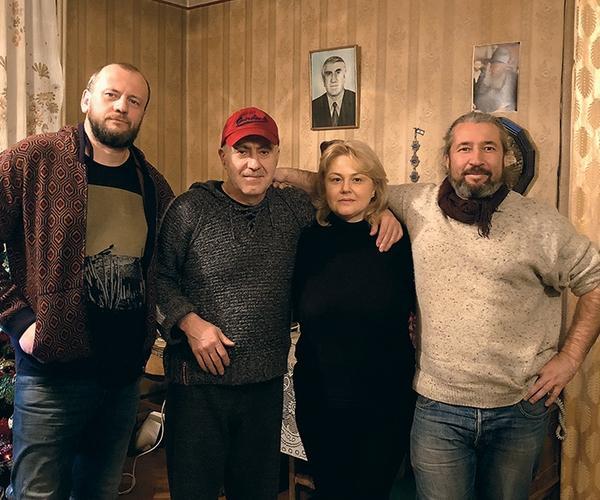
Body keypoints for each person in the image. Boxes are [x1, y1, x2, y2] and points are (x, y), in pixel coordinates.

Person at [273, 111, 600, 500]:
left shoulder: (540, 222)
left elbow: (595, 281)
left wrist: (570, 358)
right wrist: (271, 172)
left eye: (488, 148)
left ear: (505, 158)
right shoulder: (418, 205)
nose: (475, 159)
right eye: (464, 148)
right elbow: (341, 184)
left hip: (516, 407)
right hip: (437, 409)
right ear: (447, 158)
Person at [155, 107, 401, 500]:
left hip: (265, 388)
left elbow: (337, 189)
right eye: (242, 151)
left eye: (264, 152)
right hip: (198, 385)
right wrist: (189, 322)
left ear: (277, 156)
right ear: (223, 156)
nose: (253, 163)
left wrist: (381, 208)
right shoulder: (189, 209)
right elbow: (158, 280)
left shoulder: (293, 209)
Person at [0, 63, 174, 499]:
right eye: (112, 94)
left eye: (134, 101)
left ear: (143, 113)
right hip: (50, 377)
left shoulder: (153, 185)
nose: (122, 107)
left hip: (121, 380)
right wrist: (19, 321)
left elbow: (170, 265)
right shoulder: (34, 160)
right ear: (86, 99)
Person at [292, 140, 416, 500]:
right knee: (330, 491)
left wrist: (388, 213)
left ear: (375, 186)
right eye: (336, 179)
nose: (346, 188)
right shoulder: (306, 240)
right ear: (324, 186)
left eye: (357, 179)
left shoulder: (399, 240)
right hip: (320, 400)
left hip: (384, 403)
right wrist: (279, 172)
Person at [312, 55, 357, 128]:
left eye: (338, 72)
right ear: (323, 80)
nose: (333, 80)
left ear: (344, 77)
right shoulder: (313, 106)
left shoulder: (356, 101)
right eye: (328, 74)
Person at [473, 46, 518, 112]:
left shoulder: (512, 78)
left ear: (505, 66)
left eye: (498, 65)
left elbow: (516, 103)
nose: (495, 68)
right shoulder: (484, 76)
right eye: (493, 64)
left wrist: (506, 109)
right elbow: (477, 99)